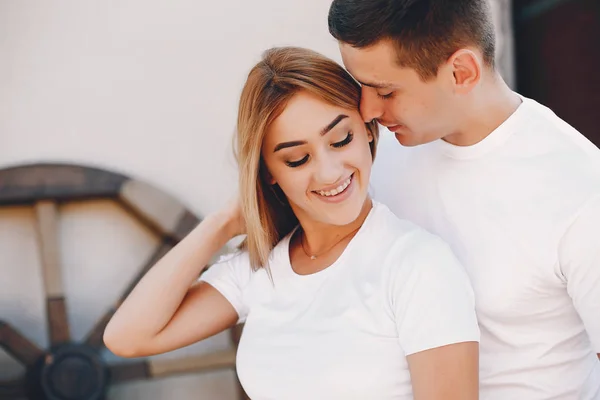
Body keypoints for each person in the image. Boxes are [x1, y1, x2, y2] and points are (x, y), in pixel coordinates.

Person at [103, 46, 480, 399]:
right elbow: (128, 337)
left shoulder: (417, 265)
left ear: (366, 129)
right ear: (267, 172)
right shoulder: (261, 269)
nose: (330, 172)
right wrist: (222, 223)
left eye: (341, 139)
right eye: (297, 159)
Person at [327, 0, 600, 399]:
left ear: (461, 72)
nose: (366, 110)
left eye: (385, 91)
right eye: (360, 86)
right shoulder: (378, 150)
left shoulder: (581, 190)